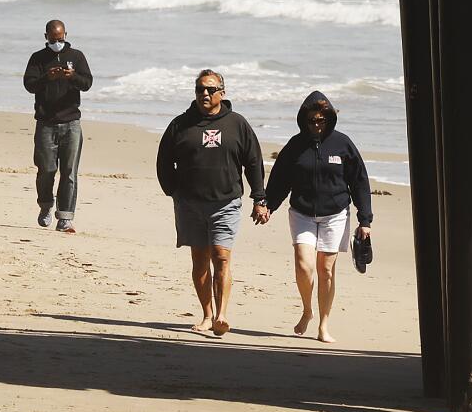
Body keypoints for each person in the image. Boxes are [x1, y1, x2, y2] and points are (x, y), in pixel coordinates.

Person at [255, 91, 373, 344]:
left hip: (335, 214)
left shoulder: (343, 144)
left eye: (322, 120)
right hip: (302, 213)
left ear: (329, 119)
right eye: (312, 120)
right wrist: (269, 206)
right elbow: (280, 180)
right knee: (304, 264)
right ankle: (307, 310)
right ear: (303, 120)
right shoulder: (295, 146)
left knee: (326, 270)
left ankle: (323, 324)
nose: (317, 125)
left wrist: (366, 220)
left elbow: (360, 182)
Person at [155, 69, 264, 337]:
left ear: (222, 93)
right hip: (190, 203)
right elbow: (163, 161)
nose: (205, 94)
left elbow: (253, 162)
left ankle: (221, 314)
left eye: (211, 89)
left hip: (226, 203)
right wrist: (174, 191)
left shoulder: (237, 124)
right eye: (200, 89)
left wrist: (259, 197)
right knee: (200, 262)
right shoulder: (181, 124)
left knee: (222, 258)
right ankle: (206, 314)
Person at [22, 19, 93, 233]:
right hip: (46, 123)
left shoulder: (76, 56)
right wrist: (47, 77)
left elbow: (87, 83)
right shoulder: (38, 58)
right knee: (46, 170)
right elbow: (29, 85)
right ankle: (45, 206)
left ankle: (65, 217)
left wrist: (72, 77)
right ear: (46, 37)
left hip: (71, 122)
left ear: (66, 35)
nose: (57, 42)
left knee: (69, 171)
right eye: (53, 39)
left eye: (60, 39)